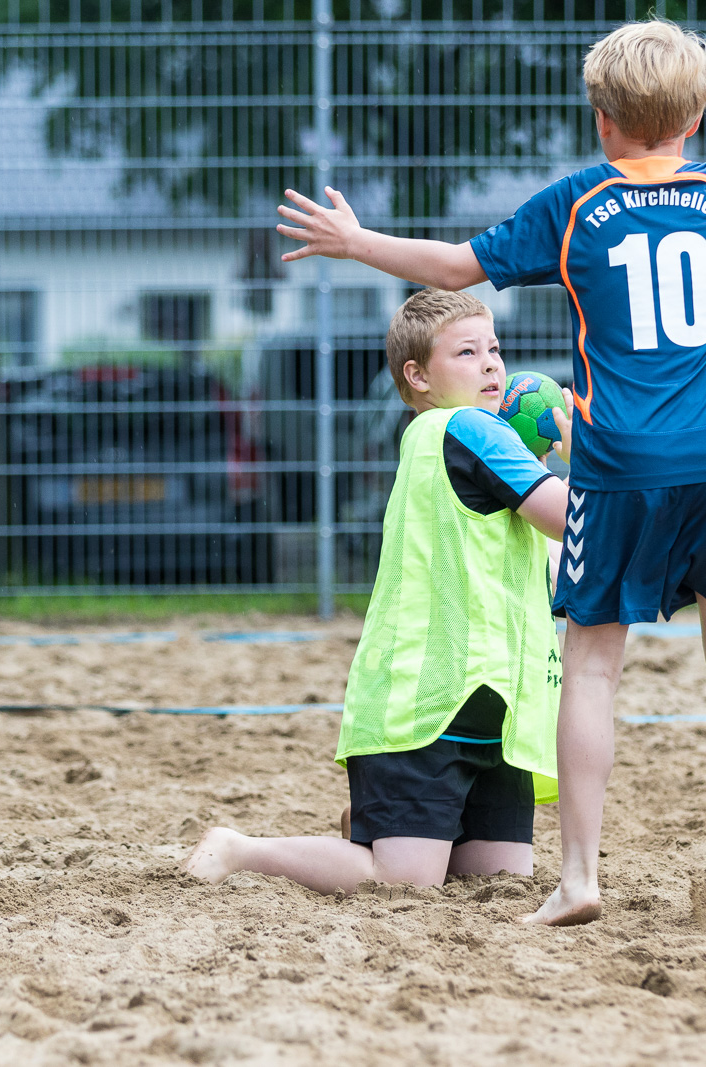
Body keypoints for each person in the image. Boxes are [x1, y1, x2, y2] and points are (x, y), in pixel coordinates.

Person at [272, 18, 706, 924]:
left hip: (615, 462)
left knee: (593, 667)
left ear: (602, 119)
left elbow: (455, 266)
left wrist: (356, 239)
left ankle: (580, 878)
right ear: (695, 118)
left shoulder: (577, 205)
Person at [184, 289, 571, 893]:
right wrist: (587, 454)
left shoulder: (439, 435)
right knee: (404, 881)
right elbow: (569, 518)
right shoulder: (470, 428)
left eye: (494, 349)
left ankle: (376, 831)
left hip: (492, 702)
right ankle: (243, 849)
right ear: (418, 377)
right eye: (467, 353)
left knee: (496, 878)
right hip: (431, 703)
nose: (491, 364)